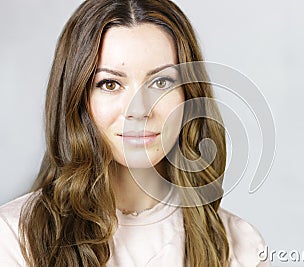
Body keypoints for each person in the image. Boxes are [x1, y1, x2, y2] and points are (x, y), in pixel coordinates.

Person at [0, 0, 270, 266]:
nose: (139, 110)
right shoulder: (13, 240)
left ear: (189, 95)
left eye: (161, 82)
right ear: (75, 98)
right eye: (110, 84)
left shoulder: (240, 247)